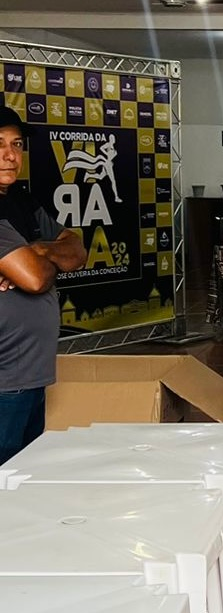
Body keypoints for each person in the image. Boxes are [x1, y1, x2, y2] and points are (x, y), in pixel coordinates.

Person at [0, 106, 86, 465]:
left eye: (16, 145)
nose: (10, 155)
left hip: (30, 374)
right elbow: (36, 280)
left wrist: (36, 250)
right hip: (6, 380)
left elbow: (78, 249)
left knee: (25, 476)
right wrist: (43, 260)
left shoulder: (20, 200)